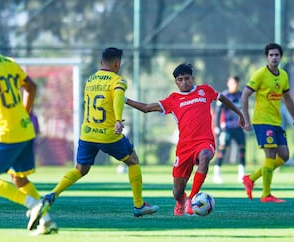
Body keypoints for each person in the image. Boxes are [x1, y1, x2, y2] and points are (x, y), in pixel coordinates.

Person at [27, 47, 159, 229]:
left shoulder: (90, 80)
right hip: (108, 134)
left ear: (100, 62)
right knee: (133, 160)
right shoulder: (118, 80)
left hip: (87, 133)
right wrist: (118, 120)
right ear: (117, 63)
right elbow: (118, 98)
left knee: (81, 169)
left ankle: (52, 195)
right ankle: (139, 205)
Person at [0, 26, 57, 235]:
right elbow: (32, 87)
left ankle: (34, 206)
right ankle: (46, 219)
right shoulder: (9, 62)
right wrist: (24, 113)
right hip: (25, 129)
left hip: (8, 132)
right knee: (19, 178)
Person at [125, 63, 245, 216]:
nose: (183, 82)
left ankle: (192, 199)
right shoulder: (173, 100)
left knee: (205, 156)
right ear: (176, 82)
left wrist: (240, 114)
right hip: (184, 148)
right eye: (180, 80)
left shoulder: (205, 90)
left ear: (193, 78)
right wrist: (125, 100)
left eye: (186, 78)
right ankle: (182, 201)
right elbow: (147, 108)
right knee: (177, 192)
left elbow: (223, 98)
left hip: (204, 141)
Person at [241, 43, 294, 203]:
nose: (274, 57)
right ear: (267, 57)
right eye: (271, 55)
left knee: (284, 156)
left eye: (276, 55)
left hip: (276, 121)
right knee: (270, 155)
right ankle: (266, 195)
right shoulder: (260, 75)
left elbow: (287, 99)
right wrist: (246, 119)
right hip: (262, 121)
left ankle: (252, 178)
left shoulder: (283, 75)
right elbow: (244, 95)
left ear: (280, 57)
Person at [213, 76, 246, 183]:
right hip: (226, 128)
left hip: (239, 127)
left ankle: (242, 174)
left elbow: (245, 111)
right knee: (222, 150)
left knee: (242, 149)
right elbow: (218, 113)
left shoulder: (241, 95)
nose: (234, 85)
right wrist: (217, 127)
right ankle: (217, 172)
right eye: (232, 83)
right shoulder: (224, 96)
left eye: (236, 83)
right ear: (228, 84)